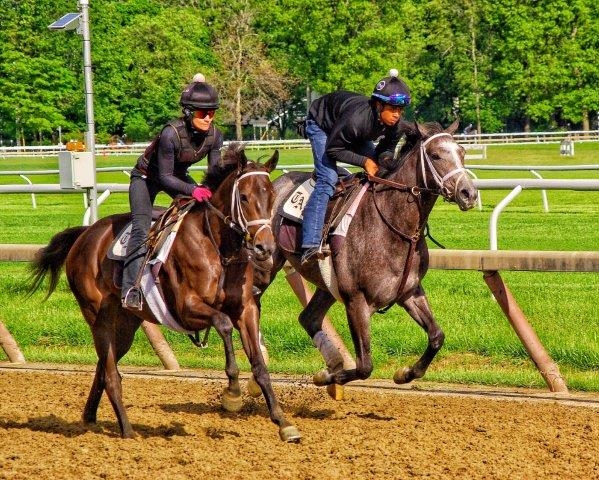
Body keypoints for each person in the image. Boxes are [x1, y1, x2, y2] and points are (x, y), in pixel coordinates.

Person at [121, 73, 224, 310]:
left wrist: (213, 191)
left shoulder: (215, 136)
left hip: (176, 176)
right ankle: (131, 290)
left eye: (212, 112)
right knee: (140, 228)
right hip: (147, 178)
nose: (208, 118)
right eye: (202, 113)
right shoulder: (171, 133)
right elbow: (165, 177)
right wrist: (193, 189)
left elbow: (215, 172)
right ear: (188, 113)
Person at [300, 68, 411, 265]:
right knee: (328, 179)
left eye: (400, 110)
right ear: (378, 105)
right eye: (393, 109)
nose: (397, 115)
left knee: (379, 172)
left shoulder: (397, 125)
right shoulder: (356, 121)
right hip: (322, 125)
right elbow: (334, 149)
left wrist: (384, 163)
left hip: (351, 132)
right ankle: (310, 243)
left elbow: (385, 152)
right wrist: (364, 161)